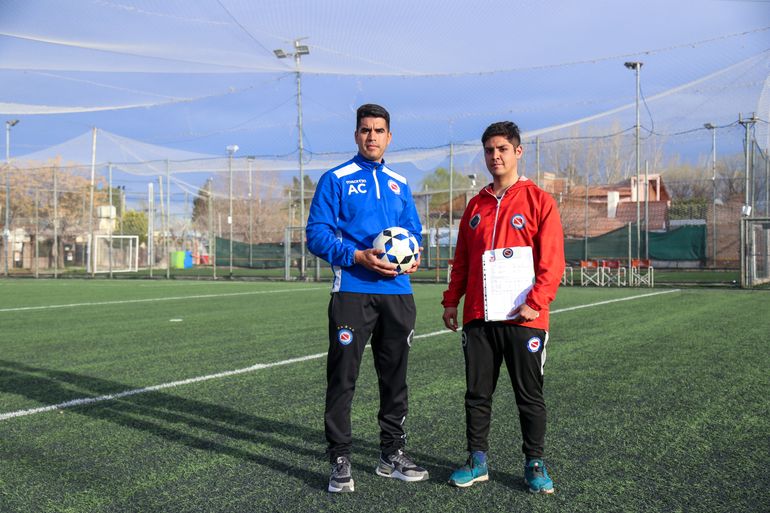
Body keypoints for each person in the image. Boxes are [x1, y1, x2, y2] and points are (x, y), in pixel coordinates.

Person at [306, 103, 429, 493]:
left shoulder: (399, 182)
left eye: (378, 130)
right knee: (343, 377)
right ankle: (340, 458)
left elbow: (412, 231)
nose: (371, 136)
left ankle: (391, 454)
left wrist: (414, 254)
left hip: (397, 294)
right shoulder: (336, 179)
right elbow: (316, 234)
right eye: (365, 130)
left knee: (395, 380)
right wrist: (356, 256)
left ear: (389, 137)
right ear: (356, 135)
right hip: (352, 293)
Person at [441, 121, 564, 494]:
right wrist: (452, 301)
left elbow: (552, 261)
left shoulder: (539, 201)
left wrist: (535, 303)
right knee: (477, 394)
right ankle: (477, 460)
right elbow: (462, 260)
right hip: (479, 318)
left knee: (529, 394)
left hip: (525, 318)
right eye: (490, 150)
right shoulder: (475, 206)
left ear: (517, 152)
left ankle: (534, 462)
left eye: (502, 150)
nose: (495, 156)